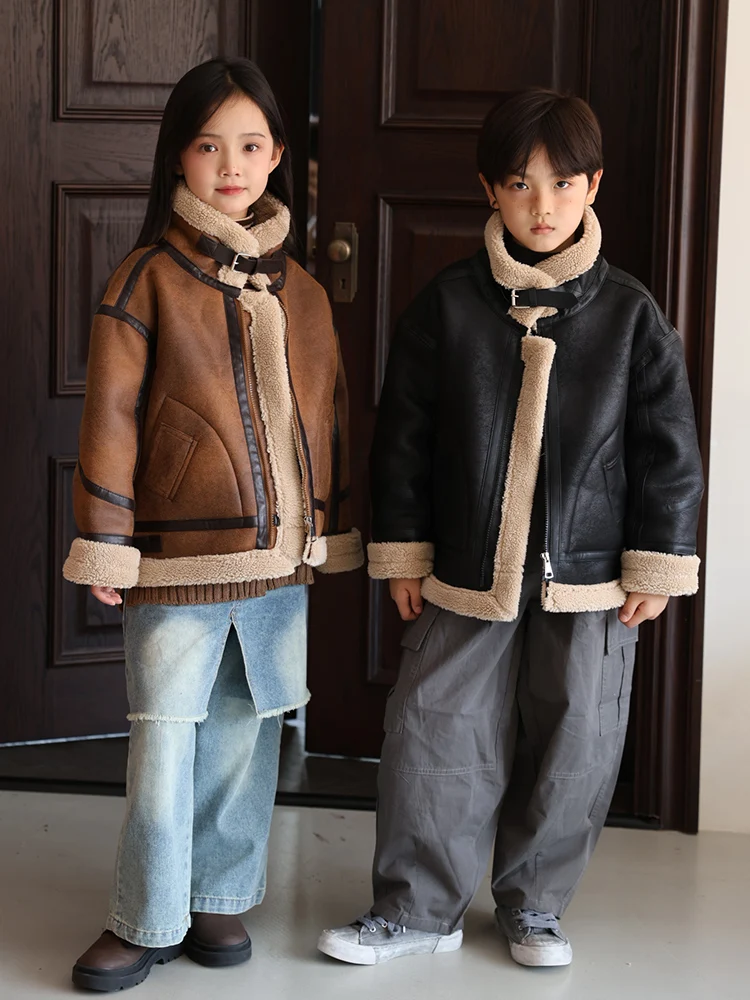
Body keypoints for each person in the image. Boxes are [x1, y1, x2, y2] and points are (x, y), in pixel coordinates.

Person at [318, 88, 703, 969]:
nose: (543, 205)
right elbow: (403, 439)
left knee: (578, 736)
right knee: (434, 727)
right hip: (465, 565)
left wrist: (657, 563)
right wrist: (404, 550)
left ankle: (535, 906)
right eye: (522, 183)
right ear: (489, 188)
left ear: (593, 186)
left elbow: (668, 450)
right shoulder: (447, 306)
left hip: (591, 575)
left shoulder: (632, 315)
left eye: (564, 183)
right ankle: (418, 909)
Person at [63, 57, 362, 992]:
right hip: (179, 559)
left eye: (249, 144)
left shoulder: (303, 292)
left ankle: (217, 895)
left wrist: (327, 527)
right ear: (178, 159)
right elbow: (111, 415)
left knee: (245, 730)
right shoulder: (147, 279)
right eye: (207, 145)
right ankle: (144, 915)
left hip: (275, 562)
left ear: (275, 157)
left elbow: (330, 416)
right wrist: (107, 537)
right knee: (165, 738)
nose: (230, 164)